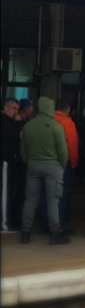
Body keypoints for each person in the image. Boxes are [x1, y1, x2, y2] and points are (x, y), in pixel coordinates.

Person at [19, 97, 69, 245]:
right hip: (53, 166)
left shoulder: (28, 126)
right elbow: (63, 151)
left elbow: (23, 151)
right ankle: (55, 234)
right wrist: (62, 166)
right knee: (53, 200)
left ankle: (25, 233)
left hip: (33, 166)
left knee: (30, 199)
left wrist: (30, 162)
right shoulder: (56, 126)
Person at [36, 100, 79, 235]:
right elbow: (71, 145)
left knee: (45, 193)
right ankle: (58, 226)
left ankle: (44, 224)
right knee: (60, 195)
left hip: (42, 161)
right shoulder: (67, 122)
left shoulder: (42, 121)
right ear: (68, 109)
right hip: (62, 163)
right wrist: (73, 161)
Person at [1, 98, 22, 233]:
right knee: (5, 192)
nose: (16, 112)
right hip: (5, 159)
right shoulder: (4, 120)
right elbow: (13, 136)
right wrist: (18, 123)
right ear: (6, 107)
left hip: (7, 159)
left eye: (17, 109)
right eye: (14, 108)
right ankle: (4, 224)